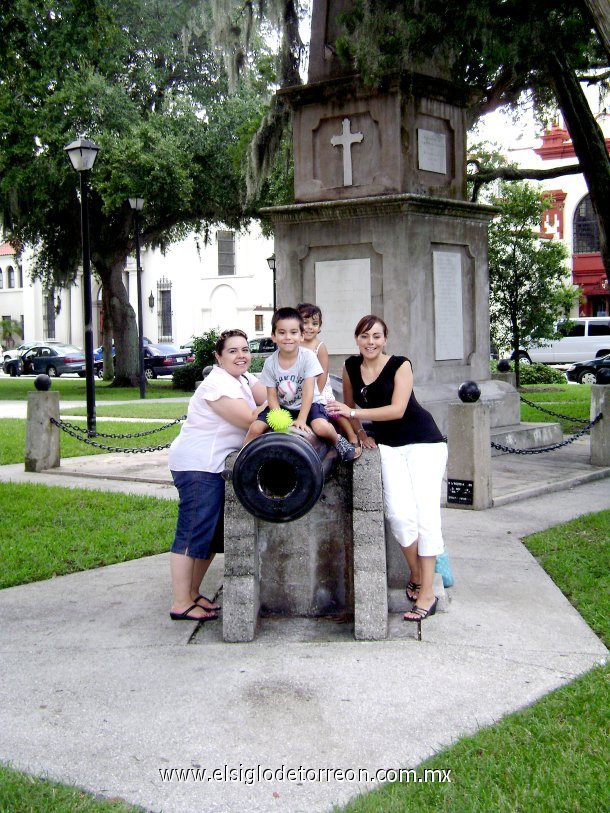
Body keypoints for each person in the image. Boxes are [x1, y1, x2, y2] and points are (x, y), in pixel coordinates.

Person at [326, 315, 448, 622]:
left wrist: (353, 412)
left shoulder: (400, 365)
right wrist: (362, 433)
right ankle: (419, 574)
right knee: (398, 514)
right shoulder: (351, 367)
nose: (371, 342)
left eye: (377, 336)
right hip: (388, 446)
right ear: (357, 339)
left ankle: (427, 593)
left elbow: (397, 409)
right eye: (365, 336)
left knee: (426, 515)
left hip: (424, 443)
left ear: (385, 339)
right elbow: (350, 408)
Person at [167, 329, 267, 621]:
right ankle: (180, 602)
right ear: (218, 357)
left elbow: (273, 392)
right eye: (233, 351)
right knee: (192, 531)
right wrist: (273, 405)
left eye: (245, 350)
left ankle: (193, 593)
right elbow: (251, 418)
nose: (241, 356)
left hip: (213, 466)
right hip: (198, 465)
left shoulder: (245, 379)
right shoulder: (216, 385)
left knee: (207, 536)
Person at [243, 307, 358, 461]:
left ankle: (338, 441)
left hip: (310, 404)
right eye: (282, 332)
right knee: (256, 427)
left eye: (293, 332)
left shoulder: (308, 358)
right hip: (284, 405)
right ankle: (242, 458)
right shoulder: (270, 363)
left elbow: (308, 391)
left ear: (302, 336)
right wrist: (279, 419)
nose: (288, 337)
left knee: (320, 427)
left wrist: (302, 419)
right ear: (274, 336)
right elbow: (271, 395)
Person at [297, 302, 361, 457]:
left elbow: (323, 372)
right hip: (301, 387)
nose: (310, 327)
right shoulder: (295, 345)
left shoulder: (319, 346)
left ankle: (352, 437)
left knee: (332, 410)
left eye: (314, 323)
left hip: (319, 387)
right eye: (305, 323)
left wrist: (316, 394)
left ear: (320, 326)